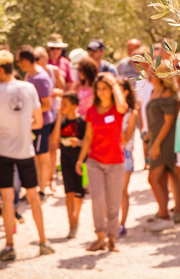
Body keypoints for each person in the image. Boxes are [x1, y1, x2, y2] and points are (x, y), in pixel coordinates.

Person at [0, 50, 53, 260]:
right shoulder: (29, 88)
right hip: (25, 150)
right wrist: (22, 125)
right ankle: (43, 241)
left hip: (2, 151)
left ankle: (10, 246)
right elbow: (38, 122)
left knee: (7, 199)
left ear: (1, 70)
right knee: (33, 196)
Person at [76, 73, 128, 252]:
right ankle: (100, 238)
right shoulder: (91, 111)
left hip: (115, 161)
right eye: (99, 89)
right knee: (97, 201)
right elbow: (88, 136)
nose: (102, 92)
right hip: (95, 161)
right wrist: (80, 159)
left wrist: (114, 83)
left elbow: (122, 105)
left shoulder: (117, 108)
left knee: (113, 203)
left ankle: (112, 239)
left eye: (105, 88)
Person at [146, 60, 180, 232]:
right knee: (160, 179)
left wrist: (157, 143)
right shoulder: (154, 90)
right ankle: (165, 212)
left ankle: (165, 217)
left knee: (153, 178)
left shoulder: (167, 93)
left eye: (150, 69)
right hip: (155, 140)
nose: (147, 72)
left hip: (165, 142)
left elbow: (169, 121)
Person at [16, 45, 54, 201]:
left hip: (41, 124)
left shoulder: (41, 78)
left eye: (18, 61)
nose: (17, 64)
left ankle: (42, 190)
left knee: (41, 156)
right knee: (35, 156)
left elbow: (47, 104)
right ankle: (35, 187)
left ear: (25, 60)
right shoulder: (30, 75)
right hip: (33, 123)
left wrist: (31, 115)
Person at [51, 91, 86, 238]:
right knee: (69, 193)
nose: (62, 107)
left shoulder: (82, 123)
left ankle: (76, 219)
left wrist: (78, 142)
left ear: (74, 105)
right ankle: (71, 225)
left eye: (65, 104)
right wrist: (59, 118)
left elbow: (89, 144)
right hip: (65, 162)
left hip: (80, 162)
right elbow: (54, 140)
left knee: (79, 195)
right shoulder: (61, 122)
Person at [35, 46, 65, 194]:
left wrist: (53, 93)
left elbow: (61, 91)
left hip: (53, 113)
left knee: (52, 149)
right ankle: (42, 181)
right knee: (41, 150)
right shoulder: (32, 74)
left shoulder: (53, 71)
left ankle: (51, 179)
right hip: (40, 115)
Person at [119, 79, 140, 237]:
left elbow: (125, 138)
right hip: (110, 154)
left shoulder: (131, 112)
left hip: (125, 155)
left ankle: (121, 224)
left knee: (122, 191)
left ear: (125, 92)